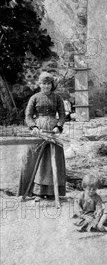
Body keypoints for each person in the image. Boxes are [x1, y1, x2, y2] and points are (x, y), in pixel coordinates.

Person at [19, 72, 66, 201]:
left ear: (52, 85)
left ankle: (51, 191)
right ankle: (36, 191)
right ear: (39, 84)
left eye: (48, 84)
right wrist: (33, 127)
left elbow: (62, 115)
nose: (46, 86)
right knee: (34, 157)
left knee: (52, 159)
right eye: (43, 84)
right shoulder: (34, 97)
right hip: (38, 130)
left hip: (53, 131)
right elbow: (28, 115)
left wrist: (59, 126)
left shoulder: (57, 98)